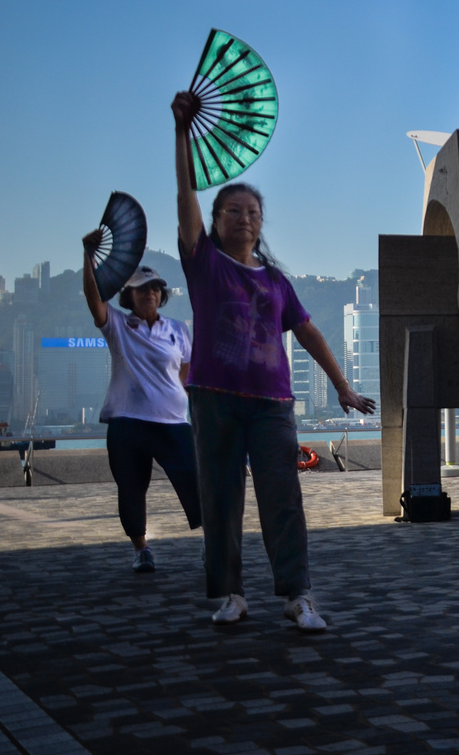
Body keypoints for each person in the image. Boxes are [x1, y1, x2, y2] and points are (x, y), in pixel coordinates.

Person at [173, 106, 376, 633]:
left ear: (261, 224)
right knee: (219, 501)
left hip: (271, 405)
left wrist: (343, 388)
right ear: (216, 223)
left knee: (282, 499)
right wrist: (181, 134)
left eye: (252, 212)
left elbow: (308, 331)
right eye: (233, 211)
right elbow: (184, 202)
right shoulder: (205, 265)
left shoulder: (276, 282)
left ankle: (297, 596)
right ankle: (230, 594)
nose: (244, 218)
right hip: (213, 398)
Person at [79, 242, 200, 575]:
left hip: (173, 423)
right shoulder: (117, 325)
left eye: (155, 288)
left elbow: (185, 377)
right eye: (141, 289)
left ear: (162, 294)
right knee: (131, 487)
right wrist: (88, 257)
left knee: (196, 481)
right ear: (128, 296)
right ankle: (141, 549)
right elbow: (93, 298)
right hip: (127, 423)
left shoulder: (178, 330)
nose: (149, 293)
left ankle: (213, 543)